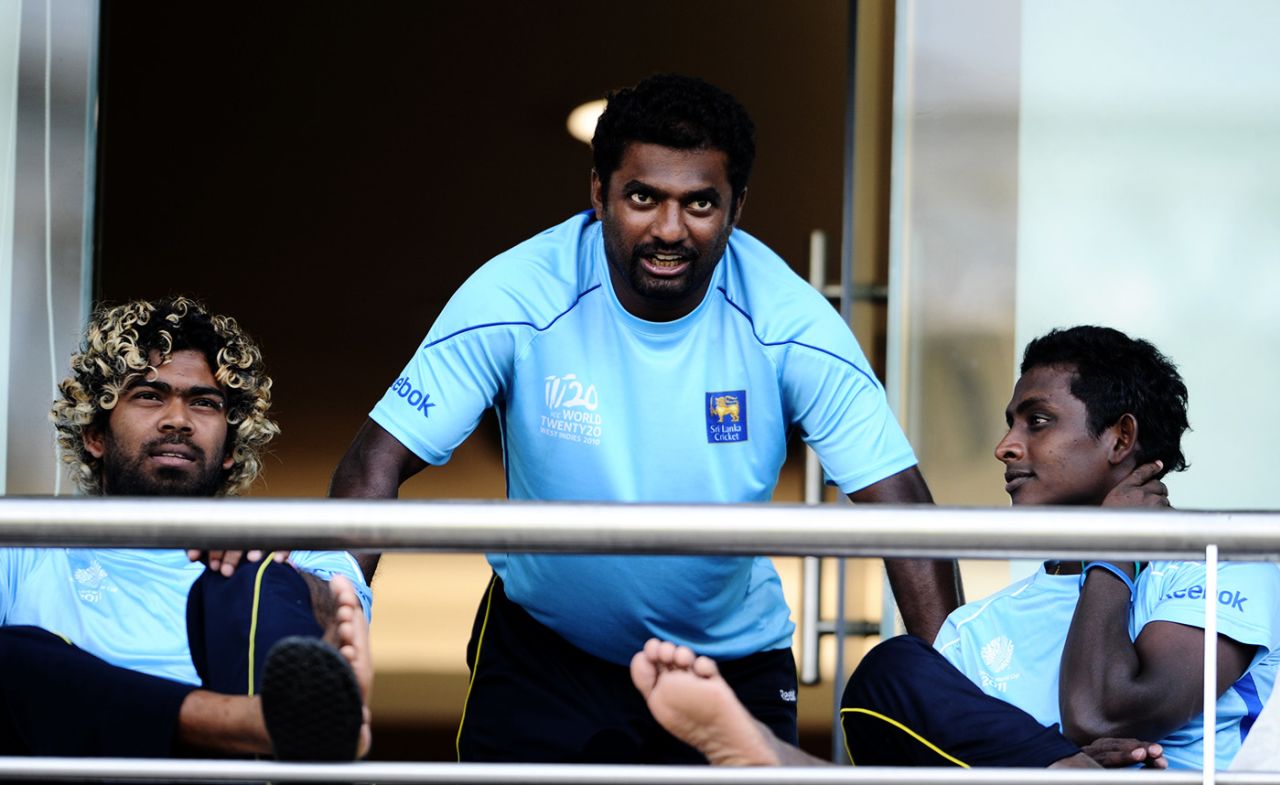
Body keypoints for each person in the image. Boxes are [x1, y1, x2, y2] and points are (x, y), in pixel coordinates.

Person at [329, 73, 961, 762]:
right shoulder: (518, 293)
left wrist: (961, 714)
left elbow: (907, 518)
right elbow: (378, 460)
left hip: (728, 668)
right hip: (544, 655)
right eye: (642, 197)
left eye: (699, 203)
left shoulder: (791, 323)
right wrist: (330, 636)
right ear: (598, 193)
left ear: (737, 207)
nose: (668, 229)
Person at [631, 325, 1280, 770]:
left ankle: (776, 764)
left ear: (1120, 438)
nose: (1006, 446)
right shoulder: (975, 630)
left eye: (1037, 420)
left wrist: (1112, 551)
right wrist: (1055, 760)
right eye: (1009, 424)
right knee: (888, 673)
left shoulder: (1217, 556)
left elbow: (1104, 709)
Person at [0, 296, 374, 760]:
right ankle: (250, 724)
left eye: (203, 403)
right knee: (12, 654)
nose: (177, 420)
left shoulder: (294, 551)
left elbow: (338, 624)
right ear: (95, 435)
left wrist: (270, 566)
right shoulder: (25, 547)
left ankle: (260, 730)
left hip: (230, 775)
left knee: (254, 581)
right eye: (149, 395)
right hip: (73, 768)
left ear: (231, 446)